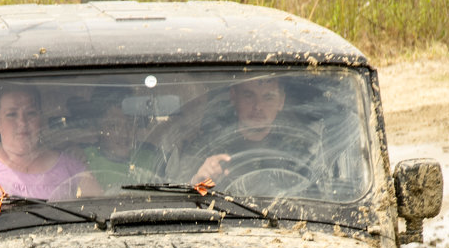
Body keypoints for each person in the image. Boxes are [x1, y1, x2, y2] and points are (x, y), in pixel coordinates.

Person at [0, 85, 100, 203]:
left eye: (30, 113)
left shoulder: (71, 166)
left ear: (41, 118)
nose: (22, 122)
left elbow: (98, 212)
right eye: (11, 114)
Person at [184, 74, 319, 188]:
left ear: (281, 102)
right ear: (233, 97)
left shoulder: (303, 147)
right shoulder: (207, 147)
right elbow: (190, 203)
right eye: (249, 95)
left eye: (268, 97)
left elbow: (320, 201)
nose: (258, 106)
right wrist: (200, 181)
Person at [79, 88, 160, 190]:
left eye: (130, 124)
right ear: (97, 129)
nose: (124, 133)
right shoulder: (84, 160)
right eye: (113, 126)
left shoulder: (152, 159)